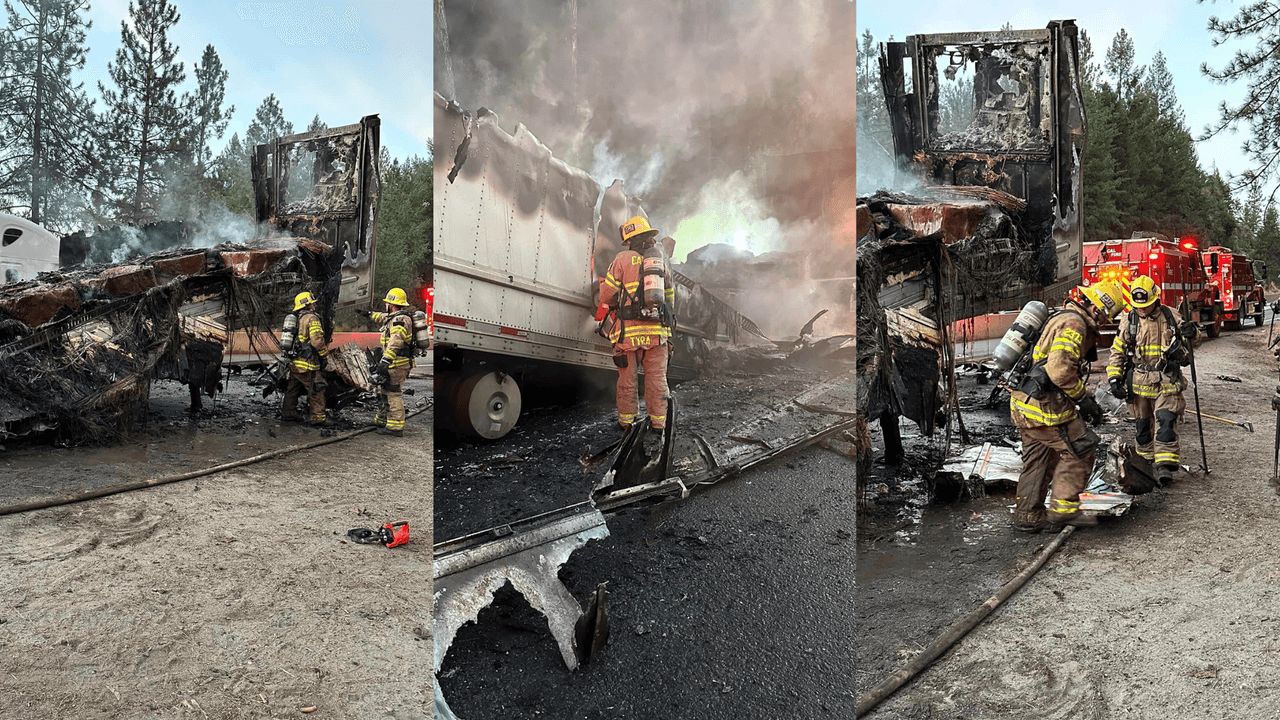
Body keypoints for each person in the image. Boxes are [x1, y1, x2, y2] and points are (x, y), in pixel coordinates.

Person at [1010, 281, 1126, 533]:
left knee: (1038, 458)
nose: (1106, 321)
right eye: (1106, 315)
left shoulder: (1063, 317)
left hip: (1024, 403)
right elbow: (1060, 371)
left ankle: (1027, 516)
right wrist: (1084, 400)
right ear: (1097, 307)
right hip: (1045, 408)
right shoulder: (1074, 324)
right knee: (1081, 448)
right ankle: (1063, 512)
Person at [1107, 275, 1198, 483]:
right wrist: (1114, 378)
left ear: (1155, 298)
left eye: (1146, 305)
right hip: (1139, 383)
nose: (1142, 309)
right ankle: (1146, 465)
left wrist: (1193, 334)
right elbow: (1117, 351)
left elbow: (1192, 342)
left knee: (1166, 420)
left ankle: (1165, 467)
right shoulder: (1129, 320)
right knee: (1143, 429)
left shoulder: (1171, 315)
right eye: (1139, 306)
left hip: (1167, 380)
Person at [596, 216, 676, 431]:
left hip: (627, 334)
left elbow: (607, 295)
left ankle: (626, 422)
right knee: (657, 380)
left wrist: (618, 304)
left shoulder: (622, 259)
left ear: (630, 240)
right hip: (656, 334)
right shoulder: (660, 261)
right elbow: (669, 299)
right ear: (650, 237)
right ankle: (659, 423)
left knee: (627, 380)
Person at [360, 288, 416, 436]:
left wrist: (385, 361)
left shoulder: (399, 321)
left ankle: (395, 427)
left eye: (387, 303)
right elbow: (382, 317)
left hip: (397, 364)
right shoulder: (395, 317)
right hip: (394, 362)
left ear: (391, 304)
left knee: (393, 393)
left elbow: (396, 342)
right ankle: (382, 420)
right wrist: (369, 314)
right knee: (383, 391)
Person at [282, 291, 333, 427]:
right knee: (317, 388)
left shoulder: (296, 318)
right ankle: (318, 417)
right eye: (312, 303)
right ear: (308, 305)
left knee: (293, 387)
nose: (314, 306)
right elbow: (317, 341)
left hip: (294, 362)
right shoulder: (312, 318)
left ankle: (288, 412)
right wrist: (324, 355)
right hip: (307, 363)